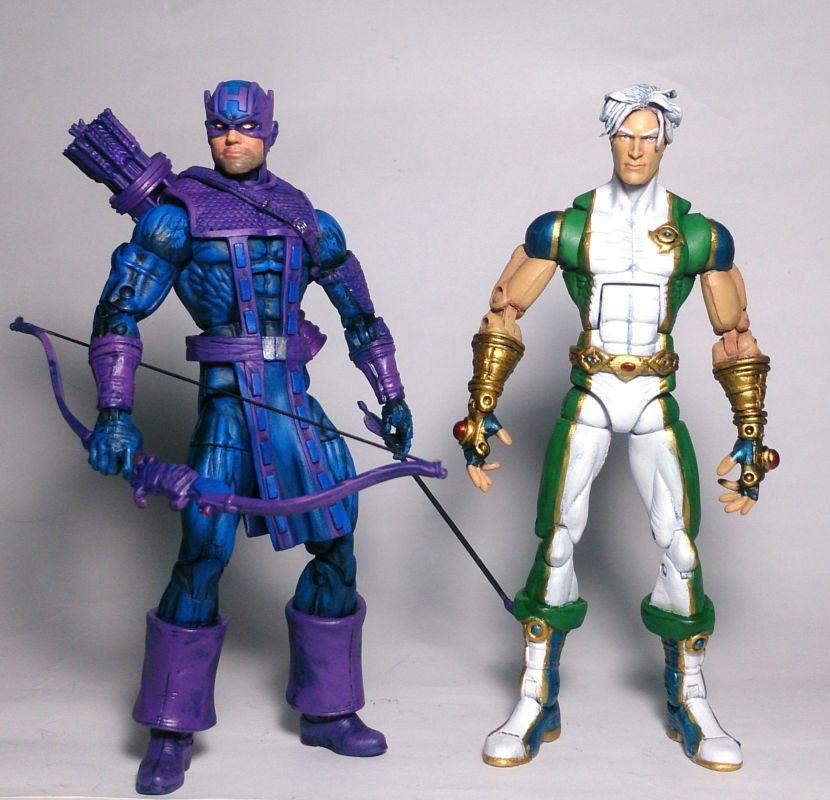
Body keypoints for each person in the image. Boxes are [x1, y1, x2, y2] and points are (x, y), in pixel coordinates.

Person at [85, 80, 413, 794]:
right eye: (219, 126)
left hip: (295, 407)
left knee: (337, 544)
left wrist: (392, 395)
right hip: (227, 414)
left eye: (247, 126)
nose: (232, 138)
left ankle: (329, 709)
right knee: (203, 553)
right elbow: (119, 313)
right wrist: (114, 411)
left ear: (271, 130)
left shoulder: (308, 218)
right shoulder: (176, 218)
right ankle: (170, 727)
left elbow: (360, 314)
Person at [453, 84, 777, 772]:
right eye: (625, 136)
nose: (636, 149)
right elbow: (504, 309)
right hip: (592, 393)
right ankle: (536, 697)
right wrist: (482, 405)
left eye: (648, 137)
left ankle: (690, 698)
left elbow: (736, 332)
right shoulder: (567, 228)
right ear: (609, 139)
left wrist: (750, 431)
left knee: (680, 548)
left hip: (654, 395)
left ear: (666, 142)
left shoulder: (699, 236)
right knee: (557, 540)